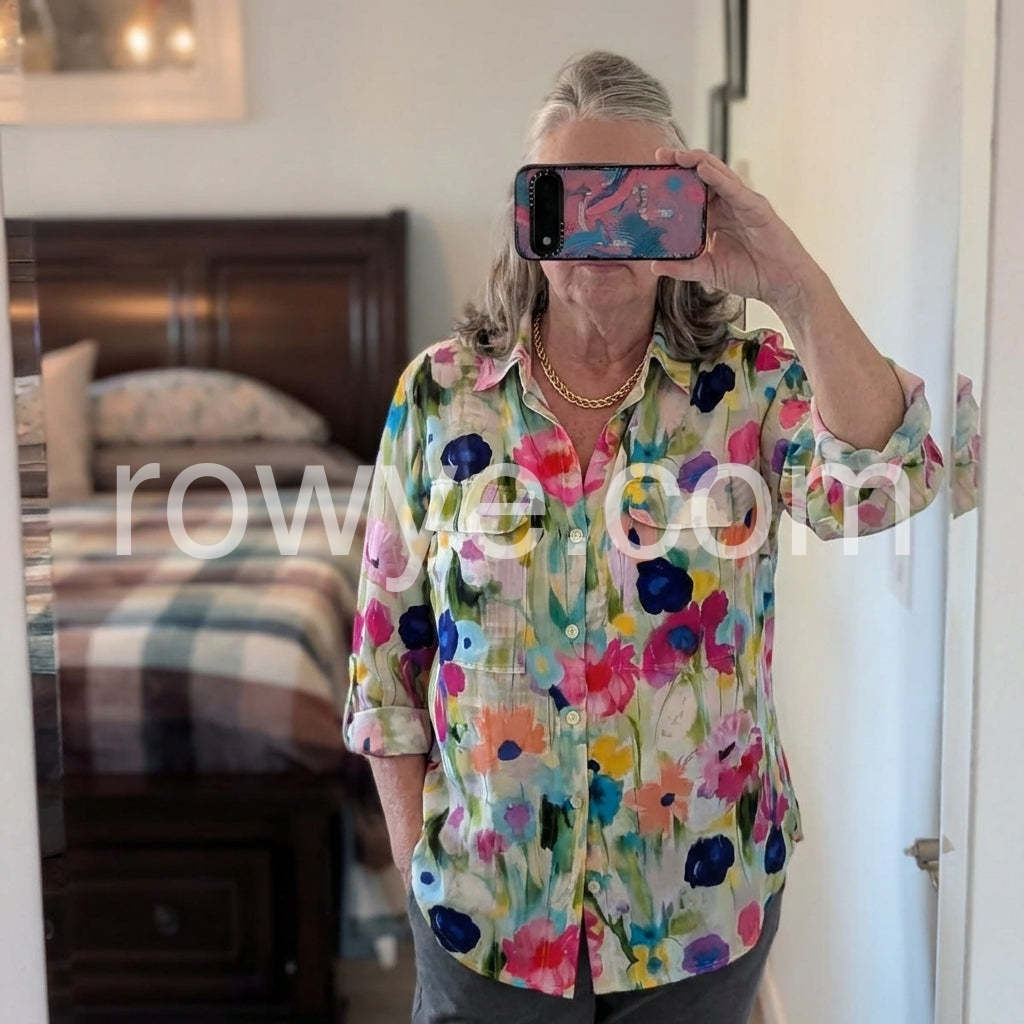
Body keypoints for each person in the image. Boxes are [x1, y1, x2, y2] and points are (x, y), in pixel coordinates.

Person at [343, 50, 945, 1023]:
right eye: (568, 197)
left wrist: (789, 281)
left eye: (632, 199)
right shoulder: (440, 396)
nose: (599, 229)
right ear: (526, 215)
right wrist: (422, 866)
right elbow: (386, 661)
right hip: (483, 916)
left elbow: (881, 485)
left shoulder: (751, 386)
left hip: (699, 908)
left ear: (684, 208)